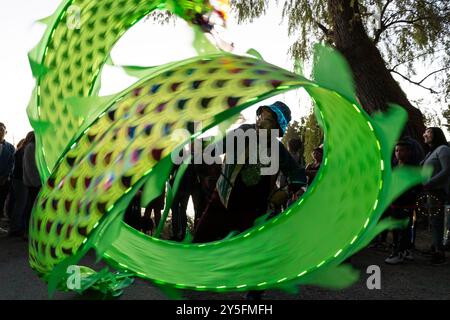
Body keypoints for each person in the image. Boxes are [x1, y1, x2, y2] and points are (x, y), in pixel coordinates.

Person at [193, 101, 307, 241]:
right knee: (201, 239)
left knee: (237, 252)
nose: (260, 123)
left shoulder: (277, 150)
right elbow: (218, 144)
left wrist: (284, 194)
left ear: (277, 127)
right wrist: (195, 145)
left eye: (268, 120)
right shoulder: (244, 131)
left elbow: (298, 175)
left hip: (250, 212)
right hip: (222, 200)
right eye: (260, 117)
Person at [385, 141, 419, 264]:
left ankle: (399, 252)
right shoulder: (394, 165)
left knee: (403, 229)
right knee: (395, 228)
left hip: (406, 204)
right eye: (396, 150)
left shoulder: (412, 168)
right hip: (394, 203)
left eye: (401, 150)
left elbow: (415, 186)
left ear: (408, 152)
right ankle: (401, 250)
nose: (398, 153)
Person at [421, 127, 450, 265]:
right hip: (430, 191)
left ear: (436, 135)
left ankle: (440, 253)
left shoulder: (443, 149)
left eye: (428, 132)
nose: (424, 134)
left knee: (438, 222)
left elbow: (447, 170)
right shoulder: (431, 152)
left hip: (438, 191)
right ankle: (435, 246)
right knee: (433, 221)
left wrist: (430, 183)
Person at [8, 133, 34, 237]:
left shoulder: (22, 149)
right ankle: (15, 228)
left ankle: (16, 226)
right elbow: (26, 168)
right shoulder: (27, 149)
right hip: (21, 180)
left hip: (18, 179)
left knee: (20, 203)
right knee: (21, 204)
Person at [22, 132, 41, 239]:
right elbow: (31, 167)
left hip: (34, 182)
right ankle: (28, 232)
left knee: (32, 207)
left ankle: (31, 231)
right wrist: (36, 182)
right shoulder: (31, 147)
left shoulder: (33, 147)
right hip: (34, 183)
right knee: (32, 208)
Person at [0, 122, 15, 227]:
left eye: (2, 130)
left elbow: (12, 164)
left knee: (1, 203)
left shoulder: (10, 148)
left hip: (4, 181)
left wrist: (4, 177)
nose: (0, 132)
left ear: (6, 132)